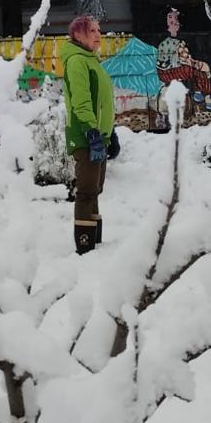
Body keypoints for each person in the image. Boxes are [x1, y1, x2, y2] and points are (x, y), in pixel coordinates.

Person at [60, 14, 120, 254]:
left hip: (98, 135)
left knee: (95, 189)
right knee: (86, 191)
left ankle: (95, 242)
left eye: (98, 30)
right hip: (86, 136)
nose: (98, 35)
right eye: (92, 31)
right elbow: (81, 100)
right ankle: (85, 246)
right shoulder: (77, 61)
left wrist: (109, 132)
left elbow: (103, 104)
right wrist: (91, 131)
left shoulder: (92, 61)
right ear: (78, 35)